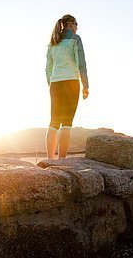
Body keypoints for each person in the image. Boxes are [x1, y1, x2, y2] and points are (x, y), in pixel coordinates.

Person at [45, 14, 89, 159]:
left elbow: (48, 69)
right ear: (70, 25)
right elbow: (81, 63)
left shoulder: (53, 43)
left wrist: (51, 84)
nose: (77, 27)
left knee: (53, 123)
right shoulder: (75, 40)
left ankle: (50, 160)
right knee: (67, 123)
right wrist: (85, 85)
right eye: (76, 24)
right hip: (71, 82)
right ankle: (62, 160)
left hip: (55, 84)